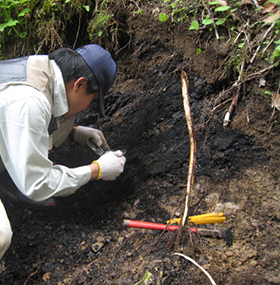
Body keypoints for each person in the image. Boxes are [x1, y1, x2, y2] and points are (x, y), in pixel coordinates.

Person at [0, 44, 126, 259]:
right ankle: (14, 184)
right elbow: (37, 184)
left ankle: (9, 183)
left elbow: (17, 124)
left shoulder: (42, 70)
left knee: (66, 121)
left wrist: (73, 132)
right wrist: (96, 170)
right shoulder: (30, 101)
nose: (87, 108)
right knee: (2, 236)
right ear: (79, 84)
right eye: (92, 100)